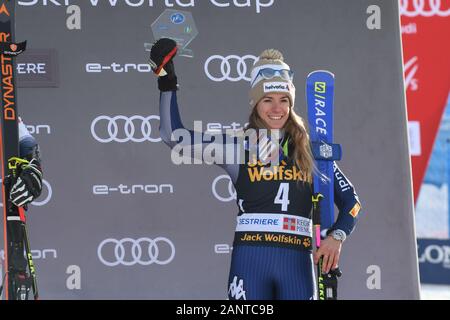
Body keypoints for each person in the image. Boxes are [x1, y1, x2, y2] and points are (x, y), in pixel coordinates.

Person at [150, 38, 361, 300]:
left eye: (284, 100)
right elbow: (174, 136)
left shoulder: (311, 150)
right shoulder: (237, 146)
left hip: (297, 264)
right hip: (250, 262)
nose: (276, 109)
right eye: (267, 100)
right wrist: (166, 81)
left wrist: (336, 237)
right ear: (255, 103)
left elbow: (351, 203)